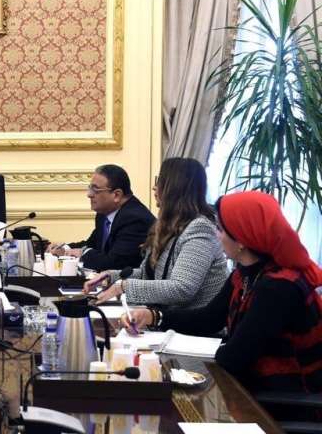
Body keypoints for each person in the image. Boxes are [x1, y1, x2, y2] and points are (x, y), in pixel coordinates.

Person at [123, 191, 322, 413]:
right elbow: (209, 319)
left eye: (221, 229)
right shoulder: (245, 273)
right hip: (247, 389)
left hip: (282, 401)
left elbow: (235, 357)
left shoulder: (278, 288)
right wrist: (154, 316)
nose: (217, 236)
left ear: (242, 240)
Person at [89, 158, 228, 308]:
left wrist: (123, 287)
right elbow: (148, 274)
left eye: (159, 181)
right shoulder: (167, 224)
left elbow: (182, 288)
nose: (154, 187)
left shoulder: (200, 228)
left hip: (193, 321)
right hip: (166, 316)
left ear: (174, 187)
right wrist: (111, 276)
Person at [49, 164, 155, 271]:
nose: (89, 194)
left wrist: (82, 254)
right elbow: (92, 244)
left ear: (117, 195)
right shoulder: (104, 213)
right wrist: (64, 249)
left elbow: (114, 263)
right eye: (90, 188)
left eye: (95, 190)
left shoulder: (135, 220)